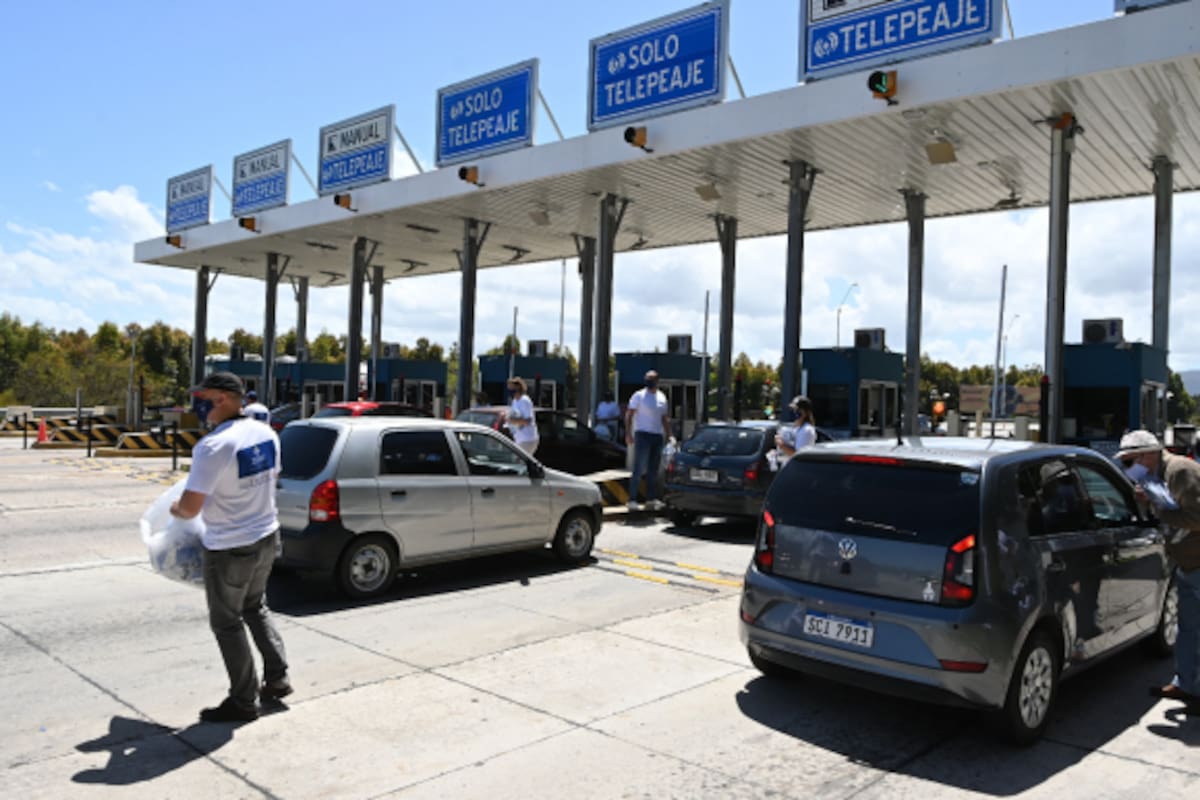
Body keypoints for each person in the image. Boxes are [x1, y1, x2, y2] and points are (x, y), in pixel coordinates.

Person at [169, 371, 290, 723]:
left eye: (202, 398)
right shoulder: (266, 433)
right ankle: (278, 677)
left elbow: (190, 508)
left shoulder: (213, 446)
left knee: (227, 622)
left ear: (221, 398)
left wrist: (175, 508)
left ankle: (243, 700)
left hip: (230, 546)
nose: (198, 406)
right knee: (255, 606)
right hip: (268, 535)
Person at [1117, 429, 1200, 713]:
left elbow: (1195, 517)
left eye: (1131, 461)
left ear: (1148, 454)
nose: (1130, 468)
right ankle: (1186, 684)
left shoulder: (1180, 471)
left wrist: (1158, 508)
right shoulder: (1158, 475)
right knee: (1187, 629)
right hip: (1188, 564)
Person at [625, 370, 672, 512]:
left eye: (651, 378)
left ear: (657, 380)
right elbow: (629, 414)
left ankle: (650, 499)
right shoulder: (638, 396)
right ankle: (632, 499)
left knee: (653, 470)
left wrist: (670, 435)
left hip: (657, 436)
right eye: (647, 378)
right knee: (639, 468)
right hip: (642, 435)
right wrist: (628, 433)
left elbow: (664, 418)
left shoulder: (662, 397)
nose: (649, 380)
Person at [775, 395, 817, 467]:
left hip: (799, 471)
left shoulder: (807, 430)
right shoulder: (797, 428)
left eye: (796, 409)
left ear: (804, 412)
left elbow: (798, 455)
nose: (793, 412)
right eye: (792, 409)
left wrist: (781, 445)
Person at [505, 377, 539, 456]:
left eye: (511, 388)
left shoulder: (524, 401)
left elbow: (528, 420)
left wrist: (512, 420)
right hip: (519, 438)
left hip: (528, 439)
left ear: (517, 388)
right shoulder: (515, 401)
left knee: (520, 464)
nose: (509, 390)